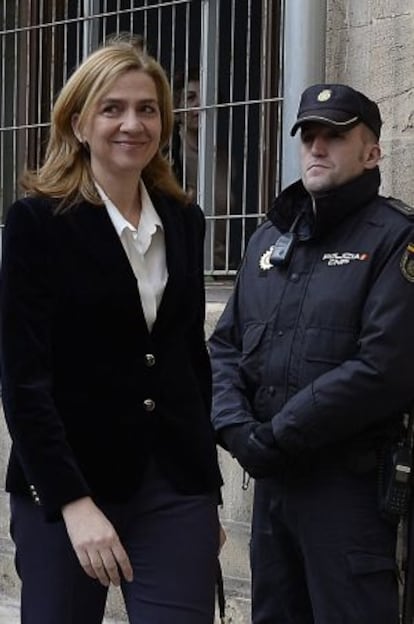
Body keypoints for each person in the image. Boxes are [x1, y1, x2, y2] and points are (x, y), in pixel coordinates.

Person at [0, 36, 223, 624]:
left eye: (147, 109)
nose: (133, 124)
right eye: (112, 108)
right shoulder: (35, 223)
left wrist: (207, 495)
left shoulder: (182, 220)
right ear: (78, 123)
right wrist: (73, 504)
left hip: (173, 483)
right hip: (68, 484)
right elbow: (23, 382)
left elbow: (187, 361)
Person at [209, 83, 414, 623]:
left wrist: (274, 436)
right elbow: (224, 349)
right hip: (272, 489)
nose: (317, 148)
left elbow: (383, 368)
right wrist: (236, 431)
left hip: (345, 492)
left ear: (372, 153)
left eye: (336, 136)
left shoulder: (396, 238)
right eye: (309, 136)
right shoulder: (268, 241)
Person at [172, 68, 235, 270]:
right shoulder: (169, 156)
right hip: (182, 267)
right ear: (177, 108)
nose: (200, 105)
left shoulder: (226, 159)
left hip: (221, 267)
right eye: (190, 98)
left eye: (207, 97)